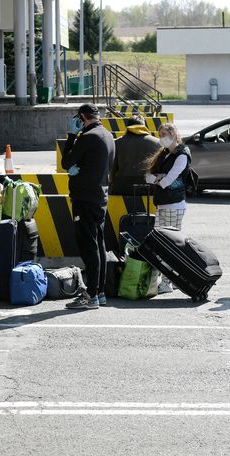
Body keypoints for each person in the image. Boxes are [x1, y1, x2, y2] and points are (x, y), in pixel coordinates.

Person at [61, 104, 115, 310]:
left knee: (88, 246)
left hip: (85, 198)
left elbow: (67, 161)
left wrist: (71, 136)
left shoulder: (88, 137)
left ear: (82, 117)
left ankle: (91, 295)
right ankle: (99, 291)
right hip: (100, 196)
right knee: (98, 244)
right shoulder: (107, 135)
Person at [145, 122, 192, 294]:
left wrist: (160, 178)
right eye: (160, 134)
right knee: (159, 243)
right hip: (163, 204)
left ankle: (169, 282)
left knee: (171, 245)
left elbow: (167, 181)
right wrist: (158, 178)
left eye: (164, 134)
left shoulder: (182, 154)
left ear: (173, 134)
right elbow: (147, 177)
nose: (161, 138)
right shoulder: (165, 154)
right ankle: (163, 280)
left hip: (174, 204)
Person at [108, 114, 162, 196]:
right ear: (144, 126)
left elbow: (113, 169)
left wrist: (112, 183)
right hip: (149, 187)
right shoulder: (157, 143)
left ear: (127, 127)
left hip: (122, 187)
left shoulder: (117, 142)